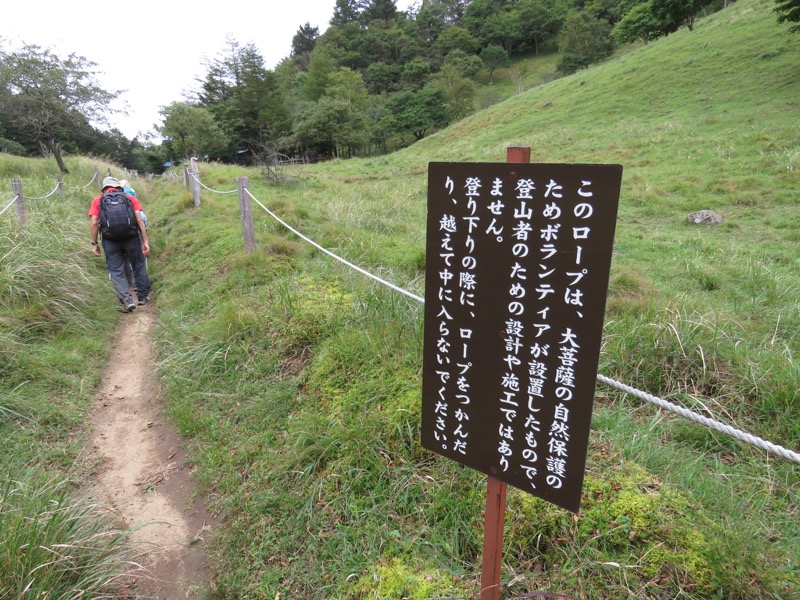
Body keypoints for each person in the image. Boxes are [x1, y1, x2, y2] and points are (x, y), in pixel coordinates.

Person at [89, 176, 150, 312]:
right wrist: (145, 241)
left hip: (110, 240)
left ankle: (127, 300)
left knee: (116, 270)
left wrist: (94, 243)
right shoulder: (129, 198)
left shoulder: (98, 200)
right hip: (132, 237)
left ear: (104, 189)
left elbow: (94, 223)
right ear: (119, 187)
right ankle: (142, 297)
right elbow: (139, 220)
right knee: (138, 265)